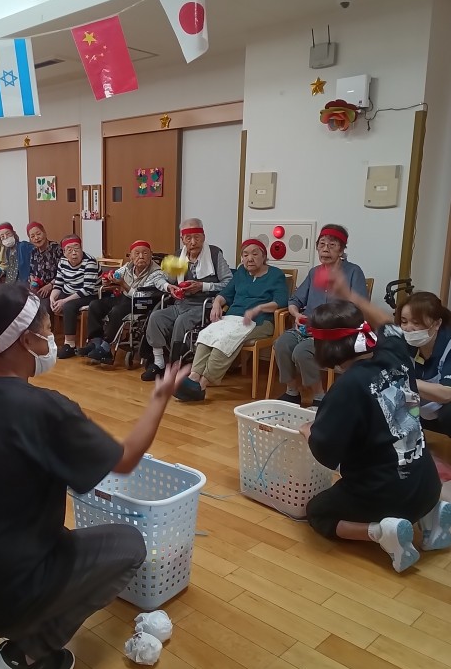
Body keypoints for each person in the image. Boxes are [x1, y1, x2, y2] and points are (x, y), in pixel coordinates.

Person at [0, 282, 188, 669]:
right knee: (129, 545)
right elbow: (125, 460)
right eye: (47, 330)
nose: (51, 339)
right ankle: (29, 654)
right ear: (26, 339)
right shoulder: (44, 409)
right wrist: (159, 398)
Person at [301, 272, 450, 572]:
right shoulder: (396, 352)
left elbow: (326, 453)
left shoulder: (347, 388)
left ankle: (382, 531)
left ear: (325, 349)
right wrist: (351, 296)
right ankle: (433, 516)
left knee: (317, 512)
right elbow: (387, 324)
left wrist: (308, 432)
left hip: (387, 495)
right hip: (427, 482)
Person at [175, 239, 288, 401]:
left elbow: (281, 301)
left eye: (255, 254)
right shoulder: (241, 272)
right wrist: (216, 304)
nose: (250, 258)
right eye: (245, 255)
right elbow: (225, 294)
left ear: (264, 257)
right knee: (208, 333)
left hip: (260, 321)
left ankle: (202, 385)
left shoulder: (275, 274)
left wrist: (258, 309)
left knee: (227, 338)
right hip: (232, 318)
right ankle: (194, 376)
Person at [273, 224, 368, 407]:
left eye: (332, 245)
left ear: (341, 250)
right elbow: (295, 299)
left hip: (334, 332)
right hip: (306, 328)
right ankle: (292, 391)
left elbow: (359, 308)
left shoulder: (354, 272)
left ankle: (319, 396)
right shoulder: (314, 272)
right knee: (281, 344)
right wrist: (296, 314)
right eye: (322, 244)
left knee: (302, 352)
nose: (325, 249)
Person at [142, 218, 232, 381]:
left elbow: (229, 283)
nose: (193, 242)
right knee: (156, 317)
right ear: (182, 239)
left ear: (203, 237)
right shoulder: (178, 256)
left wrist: (203, 286)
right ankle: (159, 363)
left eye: (197, 237)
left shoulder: (214, 254)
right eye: (188, 238)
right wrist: (169, 287)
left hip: (205, 305)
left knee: (181, 321)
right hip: (181, 303)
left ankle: (176, 365)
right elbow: (160, 278)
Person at [78, 240, 166, 366]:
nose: (141, 256)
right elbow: (116, 275)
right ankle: (95, 343)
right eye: (137, 253)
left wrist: (123, 284)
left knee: (117, 311)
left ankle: (106, 348)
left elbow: (140, 296)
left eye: (145, 253)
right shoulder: (128, 267)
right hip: (125, 298)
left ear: (151, 255)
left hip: (142, 303)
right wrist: (108, 280)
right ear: (131, 256)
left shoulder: (157, 273)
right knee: (95, 305)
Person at [395, 292, 451, 438]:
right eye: (404, 321)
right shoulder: (404, 343)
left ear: (437, 324)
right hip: (422, 408)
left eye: (416, 323)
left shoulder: (448, 344)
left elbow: (447, 393)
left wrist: (405, 379)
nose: (408, 328)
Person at [51, 236, 101, 358]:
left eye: (77, 249)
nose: (74, 253)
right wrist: (52, 298)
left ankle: (70, 345)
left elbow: (87, 289)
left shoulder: (90, 262)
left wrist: (64, 301)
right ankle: (48, 339)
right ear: (64, 252)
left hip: (89, 295)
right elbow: (58, 284)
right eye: (69, 250)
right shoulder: (62, 261)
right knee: (47, 302)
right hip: (68, 292)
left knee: (68, 306)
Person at [28, 221, 63, 303]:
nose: (36, 238)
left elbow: (63, 272)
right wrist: (32, 281)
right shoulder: (34, 251)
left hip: (55, 288)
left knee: (43, 305)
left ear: (45, 233)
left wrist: (50, 285)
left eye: (38, 234)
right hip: (38, 288)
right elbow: (31, 272)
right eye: (32, 236)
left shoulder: (57, 249)